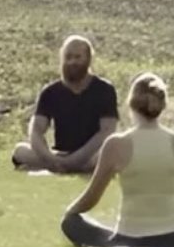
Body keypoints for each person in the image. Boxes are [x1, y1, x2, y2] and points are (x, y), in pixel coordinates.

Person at [62, 73, 174, 247]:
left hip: (129, 238)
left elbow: (91, 198)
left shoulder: (116, 144)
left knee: (71, 223)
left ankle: (113, 240)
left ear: (130, 104)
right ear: (163, 105)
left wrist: (70, 212)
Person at [13, 35, 118, 173]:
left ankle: (66, 167)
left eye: (77, 57)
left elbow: (106, 132)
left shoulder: (105, 90)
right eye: (68, 57)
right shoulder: (50, 92)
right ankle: (64, 166)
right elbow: (36, 130)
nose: (72, 62)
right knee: (20, 151)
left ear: (88, 59)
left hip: (92, 154)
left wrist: (75, 159)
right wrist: (51, 158)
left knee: (109, 155)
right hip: (60, 154)